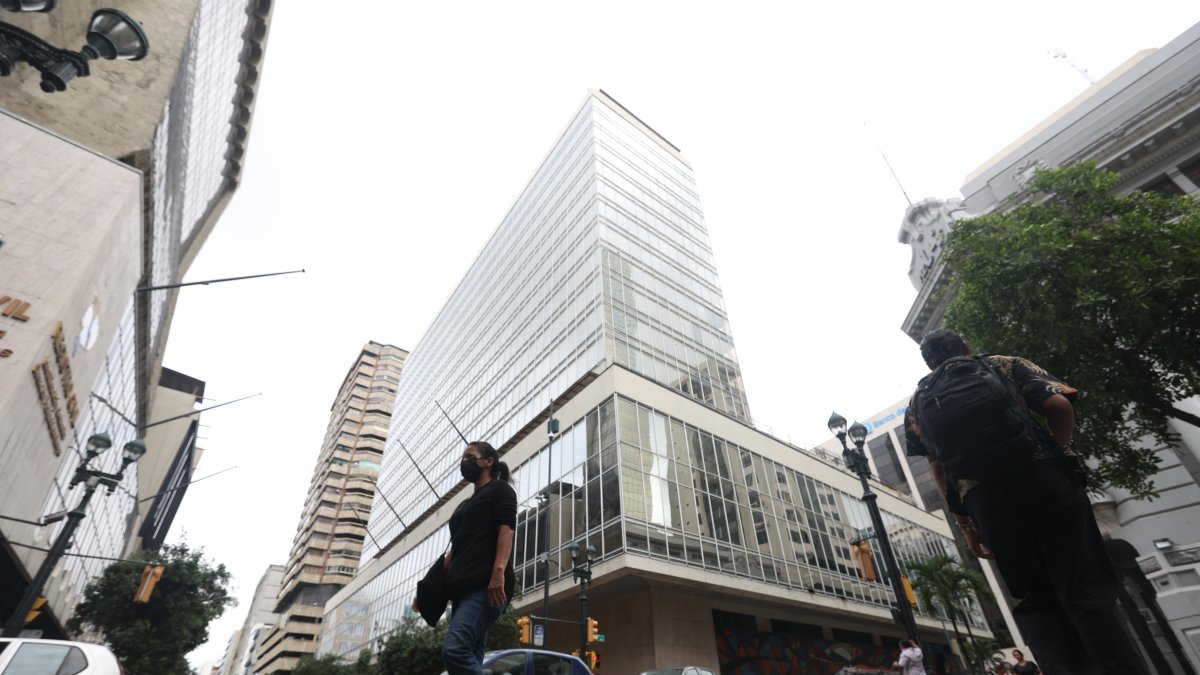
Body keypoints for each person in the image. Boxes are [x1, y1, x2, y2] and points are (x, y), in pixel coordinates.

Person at [904, 330, 1148, 675]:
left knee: (1035, 599)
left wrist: (965, 525)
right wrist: (1062, 452)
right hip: (1042, 479)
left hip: (986, 501)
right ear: (965, 347)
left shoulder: (917, 402)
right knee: (1083, 585)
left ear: (928, 362)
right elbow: (1058, 405)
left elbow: (937, 468)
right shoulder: (1002, 365)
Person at [413, 441, 516, 674]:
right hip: (460, 592)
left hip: (486, 588)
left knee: (455, 650)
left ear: (488, 462)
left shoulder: (500, 490)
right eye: (463, 458)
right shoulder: (464, 505)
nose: (464, 462)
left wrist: (498, 572)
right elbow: (454, 550)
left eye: (470, 456)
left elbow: (507, 529)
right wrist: (426, 590)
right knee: (470, 655)